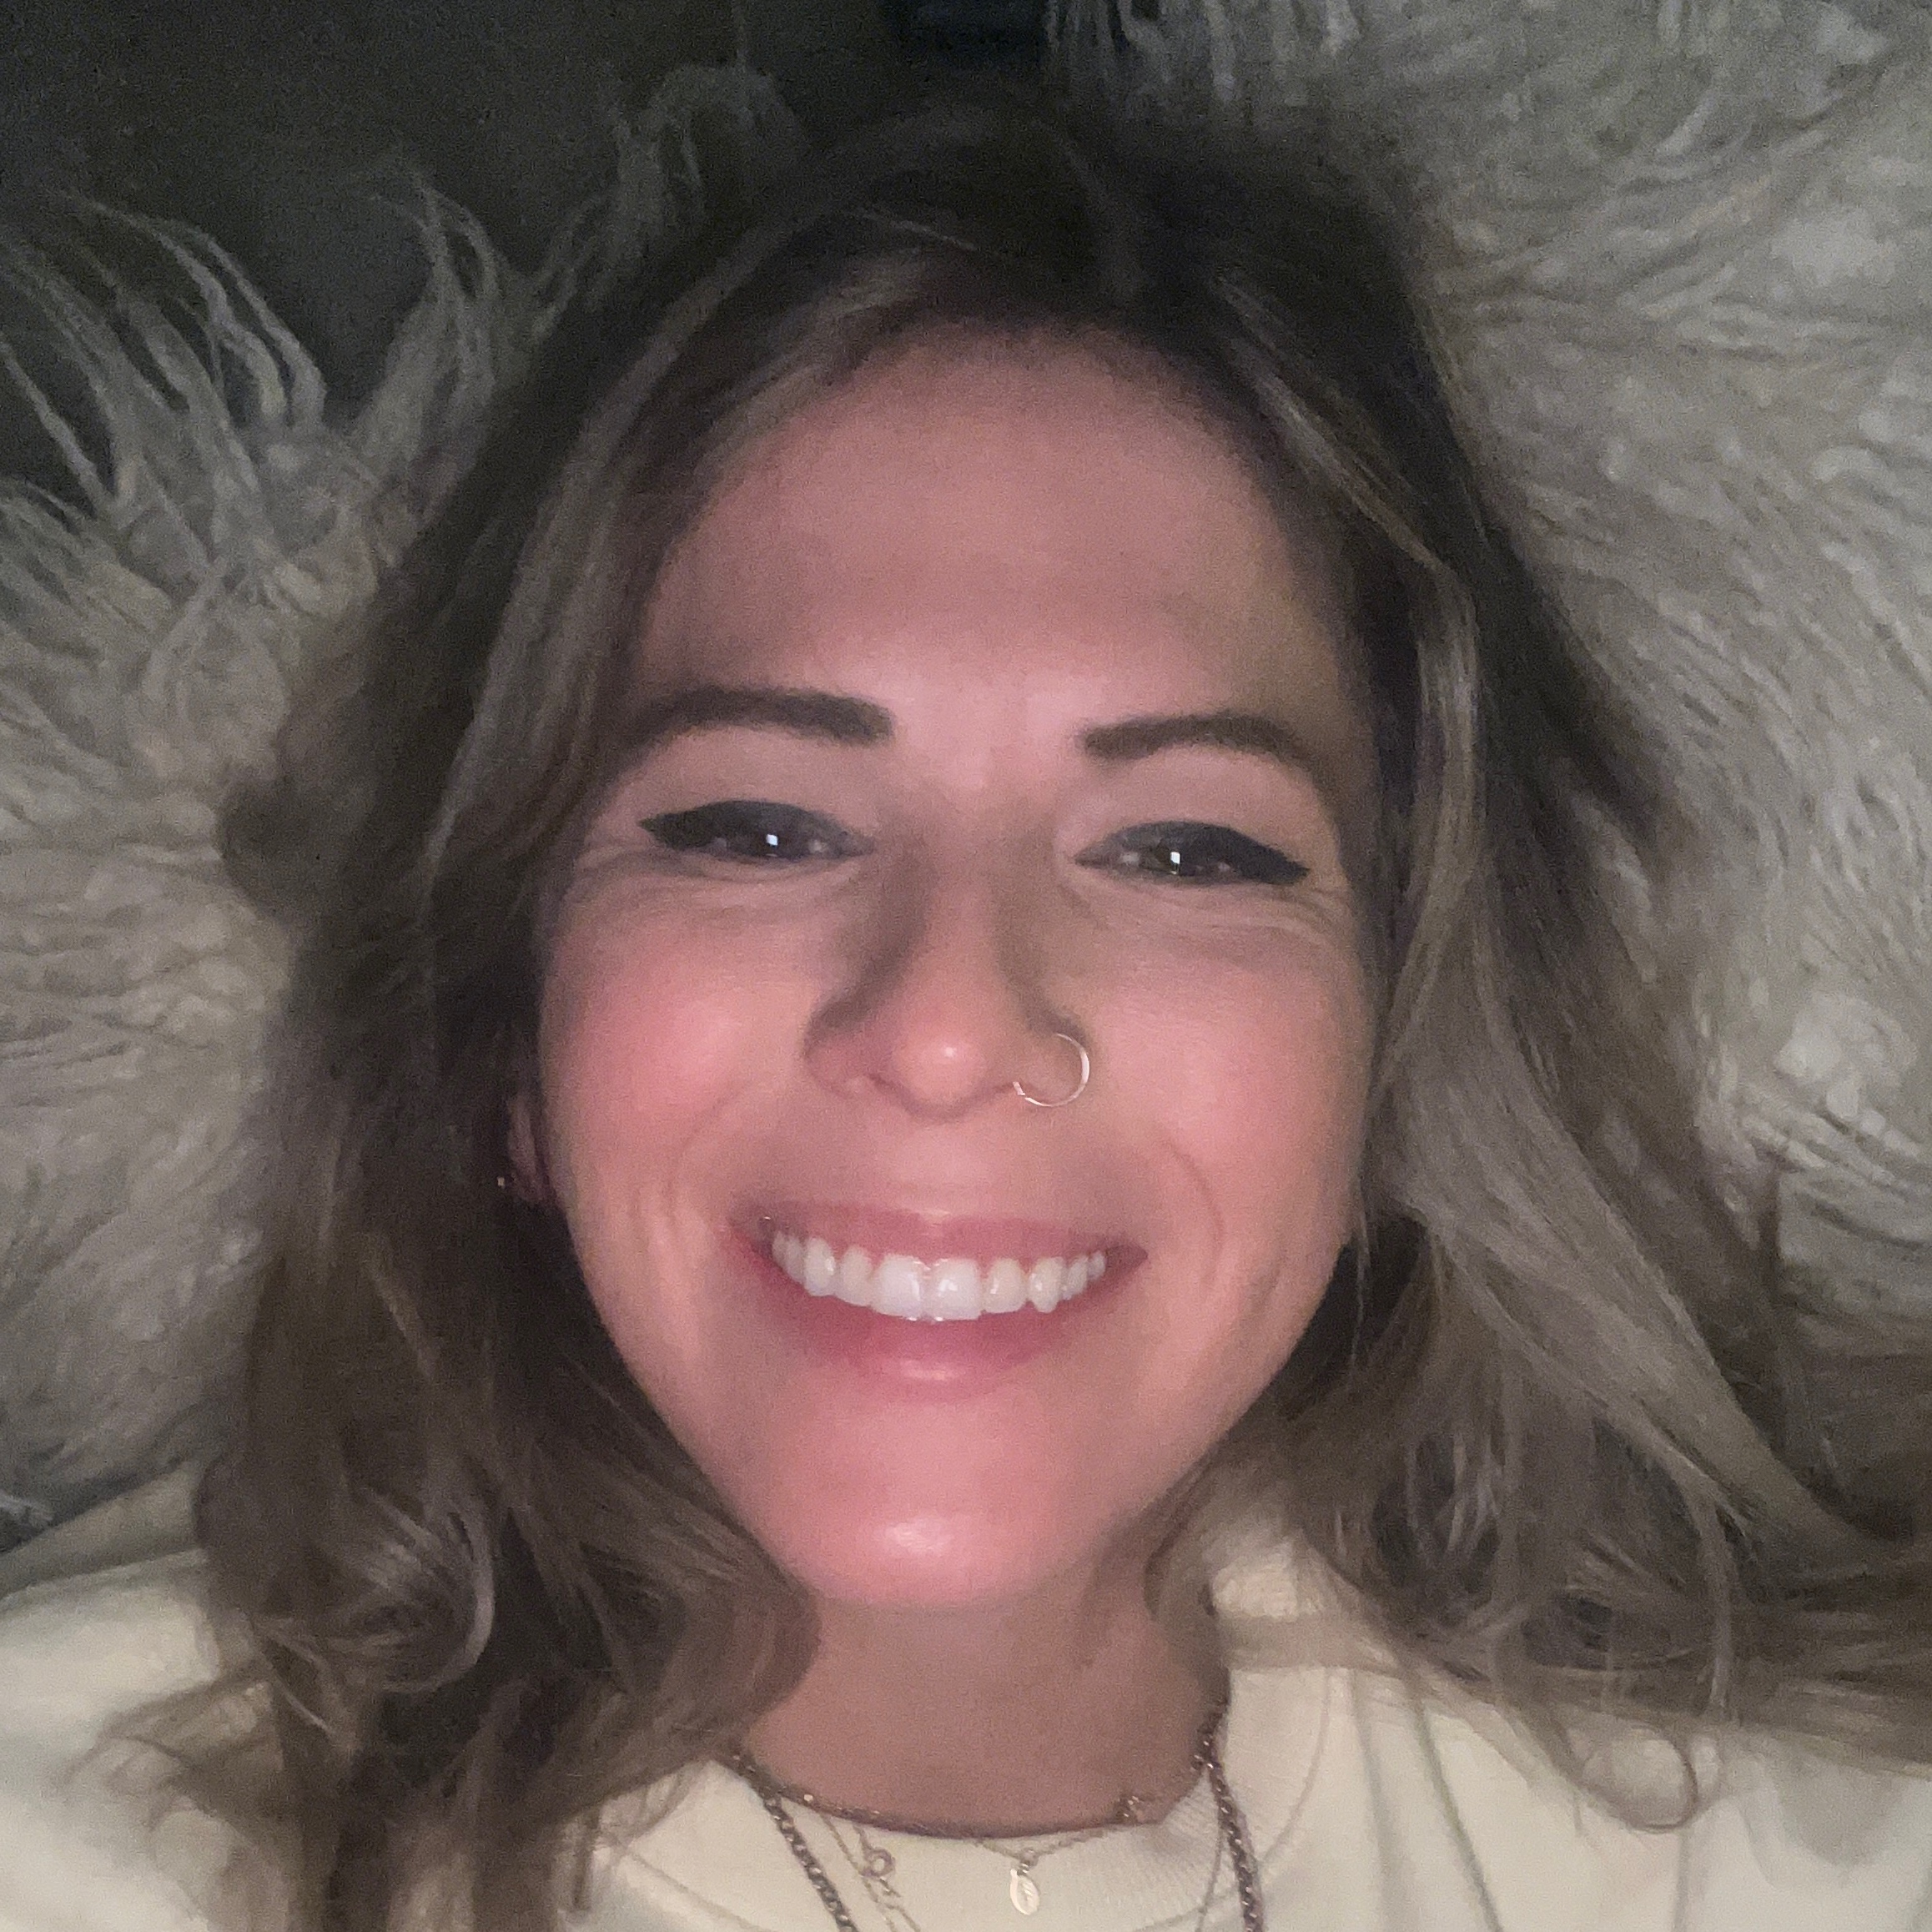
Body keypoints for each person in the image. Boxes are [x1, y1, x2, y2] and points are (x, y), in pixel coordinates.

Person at [2, 79, 1930, 1932]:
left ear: (1402, 1066)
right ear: (509, 1043)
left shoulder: (1776, 1840)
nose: (943, 1029)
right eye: (759, 827)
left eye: (1184, 849)